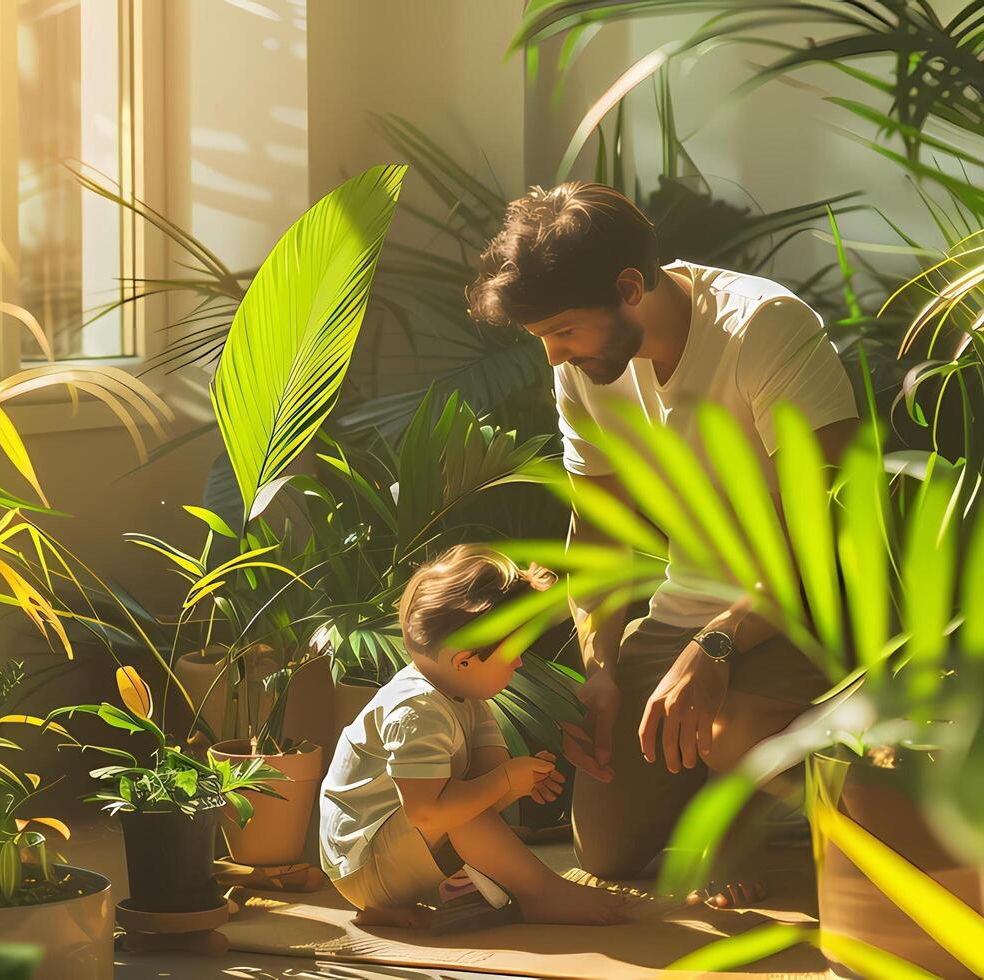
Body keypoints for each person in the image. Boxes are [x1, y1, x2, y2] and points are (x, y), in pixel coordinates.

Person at [467, 182, 861, 898]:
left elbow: (823, 540)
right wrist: (601, 668)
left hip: (807, 612)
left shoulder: (763, 329)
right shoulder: (588, 367)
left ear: (629, 288)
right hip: (689, 611)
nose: (554, 357)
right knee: (607, 851)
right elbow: (596, 536)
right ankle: (735, 771)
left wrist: (714, 648)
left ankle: (779, 783)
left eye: (562, 331)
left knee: (728, 727)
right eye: (542, 340)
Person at [317, 545, 630, 928]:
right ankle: (542, 893)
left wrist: (519, 783)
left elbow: (485, 784)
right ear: (463, 660)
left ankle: (395, 908)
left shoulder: (466, 696)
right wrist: (503, 780)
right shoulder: (417, 709)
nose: (519, 663)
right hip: (364, 864)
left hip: (393, 853)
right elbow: (428, 811)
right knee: (454, 808)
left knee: (467, 804)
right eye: (512, 653)